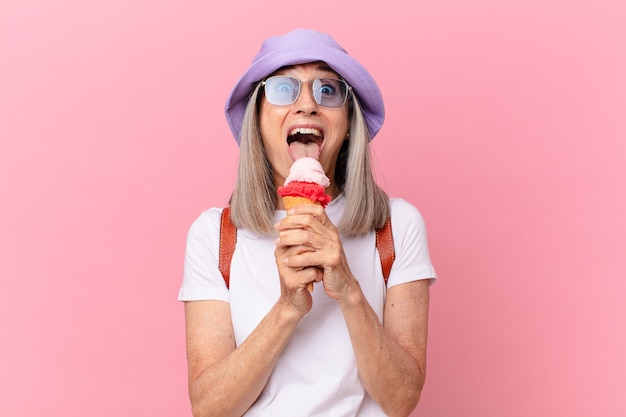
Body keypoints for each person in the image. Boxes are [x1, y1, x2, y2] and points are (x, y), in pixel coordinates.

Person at [179, 28, 437, 417]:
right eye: (283, 88)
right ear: (258, 120)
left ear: (349, 122)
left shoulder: (397, 225)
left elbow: (401, 399)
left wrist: (348, 287)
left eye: (328, 90)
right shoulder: (215, 235)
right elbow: (210, 408)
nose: (307, 105)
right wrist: (288, 306)